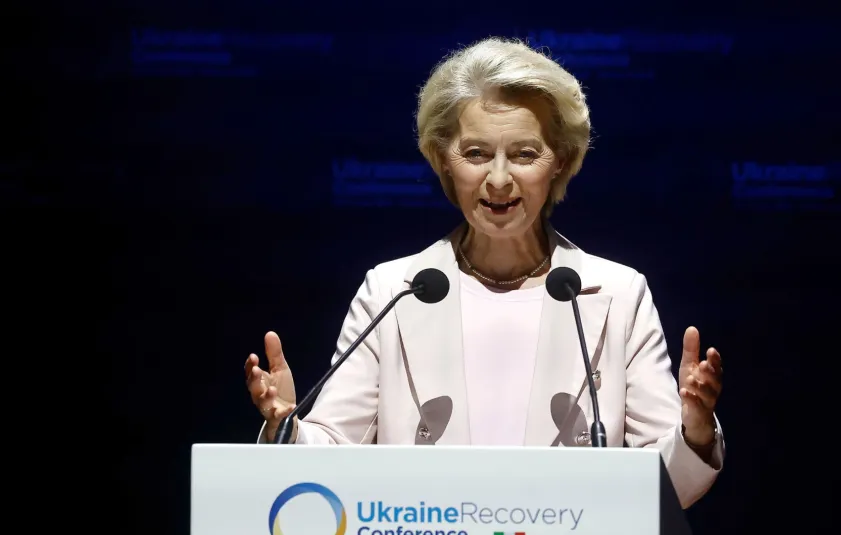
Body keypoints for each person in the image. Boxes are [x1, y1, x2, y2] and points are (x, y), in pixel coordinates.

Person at [244, 37, 725, 508]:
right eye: (475, 154)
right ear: (443, 159)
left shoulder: (618, 295)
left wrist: (695, 432)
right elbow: (332, 453)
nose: (498, 179)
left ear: (559, 162)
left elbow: (668, 487)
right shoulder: (392, 291)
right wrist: (287, 427)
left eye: (524, 154)